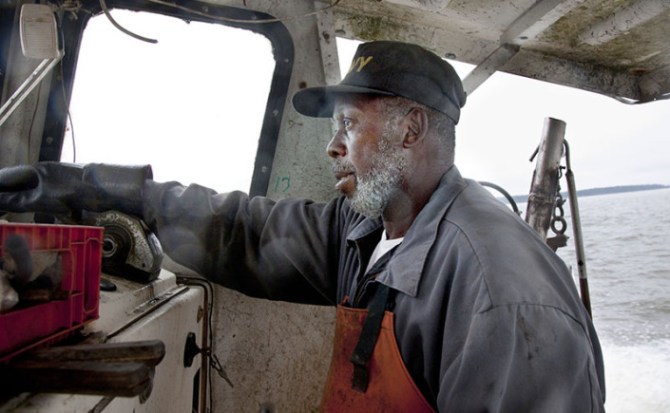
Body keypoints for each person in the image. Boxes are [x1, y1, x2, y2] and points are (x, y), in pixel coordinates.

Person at [0, 41, 605, 412]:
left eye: (348, 126)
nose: (332, 148)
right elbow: (246, 232)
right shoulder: (367, 229)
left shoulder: (501, 295)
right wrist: (112, 188)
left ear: (411, 130)